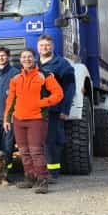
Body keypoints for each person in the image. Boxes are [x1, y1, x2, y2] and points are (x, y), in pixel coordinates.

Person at [4, 49, 64, 194]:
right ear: (20, 60)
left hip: (37, 119)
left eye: (29, 57)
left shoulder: (45, 75)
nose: (27, 59)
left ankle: (42, 180)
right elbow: (10, 100)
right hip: (19, 120)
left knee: (36, 151)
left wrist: (43, 102)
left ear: (34, 58)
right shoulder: (16, 78)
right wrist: (7, 118)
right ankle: (29, 178)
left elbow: (58, 94)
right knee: (23, 151)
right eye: (24, 57)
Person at [38, 34, 76, 180]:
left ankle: (53, 172)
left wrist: (65, 109)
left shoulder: (62, 64)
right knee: (40, 140)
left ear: (52, 46)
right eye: (41, 45)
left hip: (54, 109)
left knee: (52, 140)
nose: (44, 48)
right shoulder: (35, 64)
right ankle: (42, 170)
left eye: (47, 45)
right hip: (37, 110)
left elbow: (70, 87)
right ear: (38, 47)